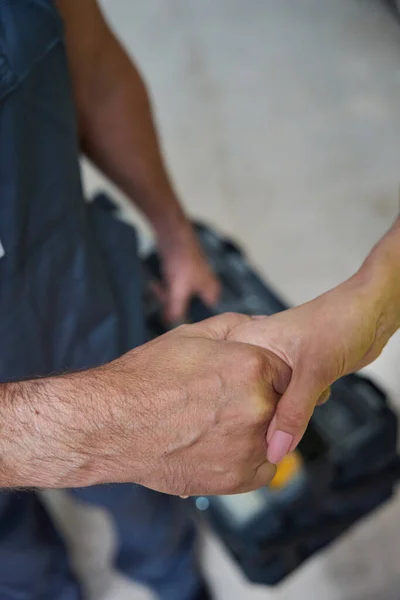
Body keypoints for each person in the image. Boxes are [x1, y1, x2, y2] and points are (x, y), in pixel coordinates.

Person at [0, 1, 399, 599]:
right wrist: (98, 428)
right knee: (16, 556)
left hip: (72, 298)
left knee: (153, 495)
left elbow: (97, 71)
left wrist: (175, 233)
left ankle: (171, 576)